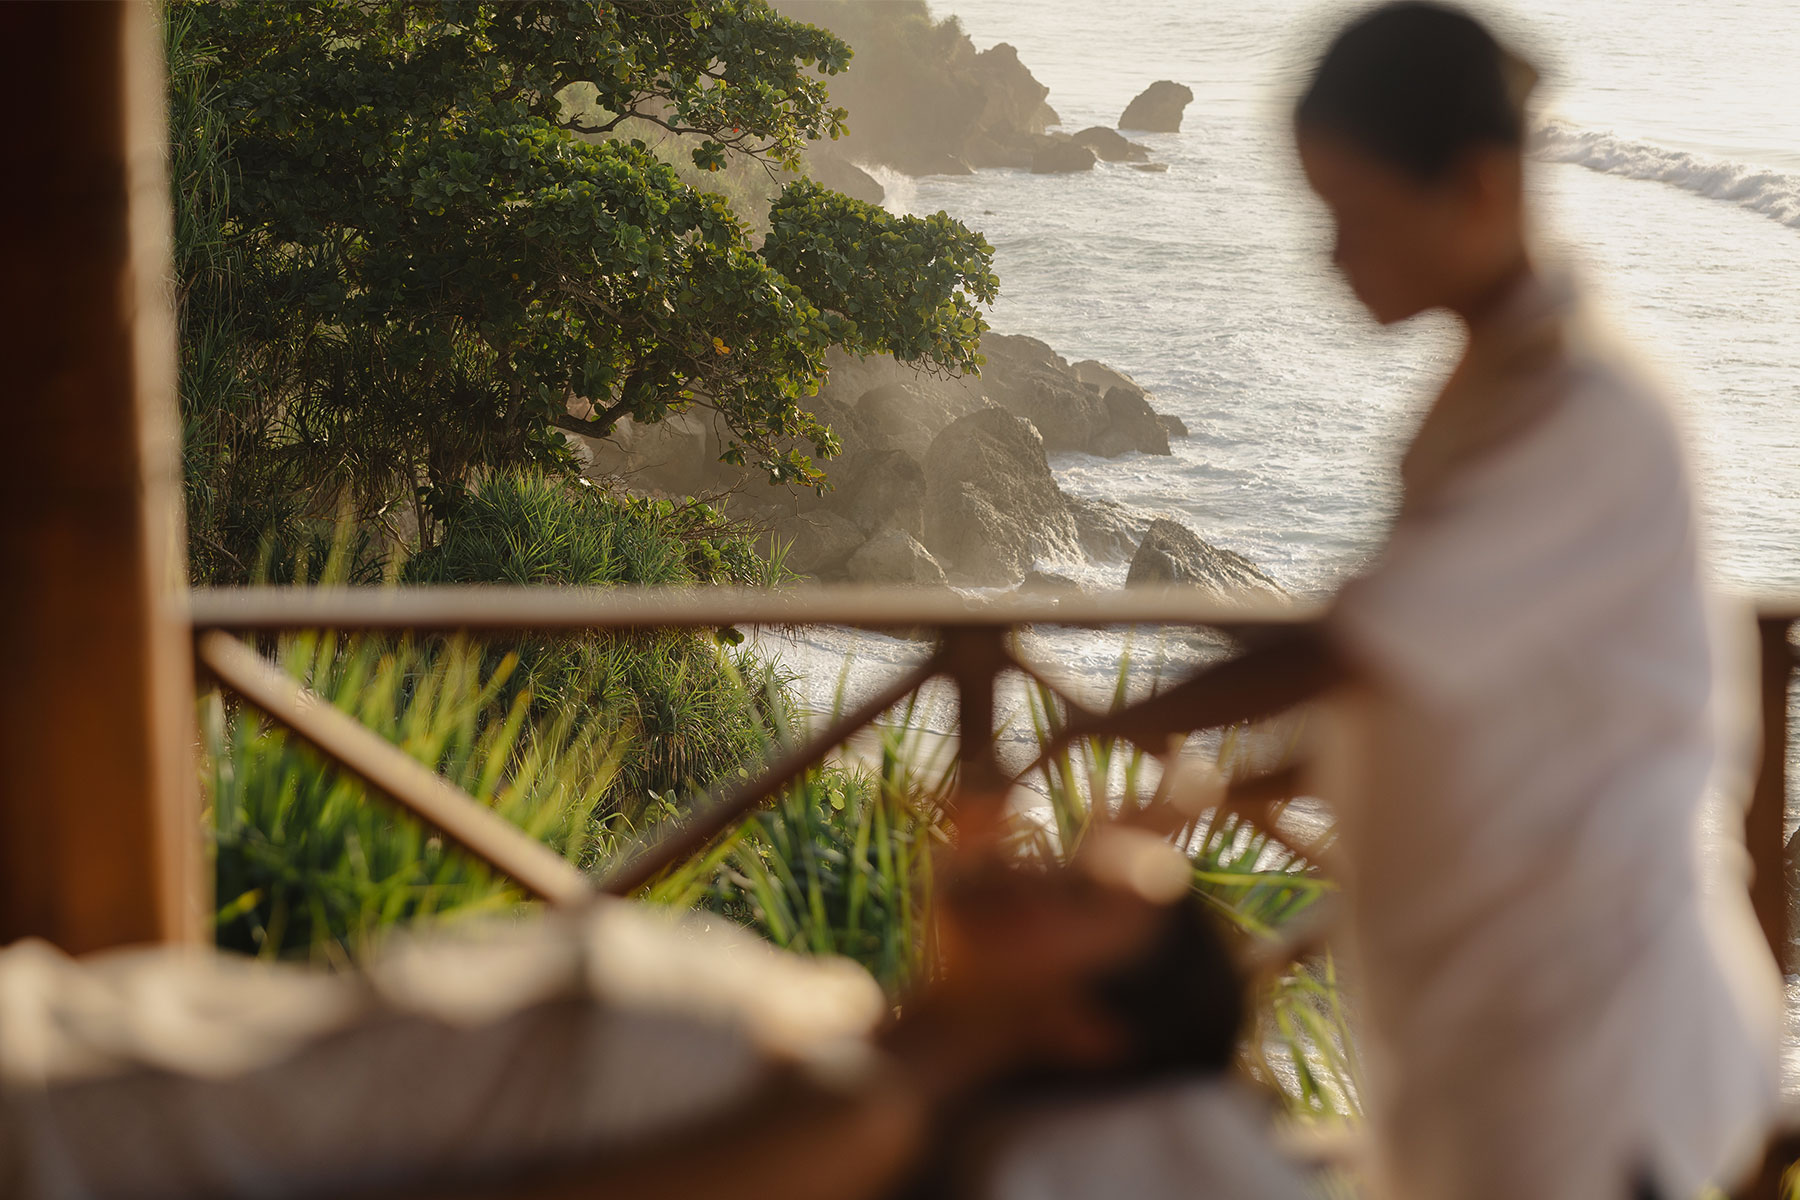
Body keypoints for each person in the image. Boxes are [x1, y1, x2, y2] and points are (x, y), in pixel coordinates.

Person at [1063, 4, 1783, 1197]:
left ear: (1482, 188)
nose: (1333, 256)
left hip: (1595, 1045)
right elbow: (1452, 682)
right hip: (1492, 1016)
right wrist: (1224, 790)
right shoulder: (1494, 393)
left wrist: (1106, 731)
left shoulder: (1584, 414)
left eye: (1357, 216)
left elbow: (1365, 648)